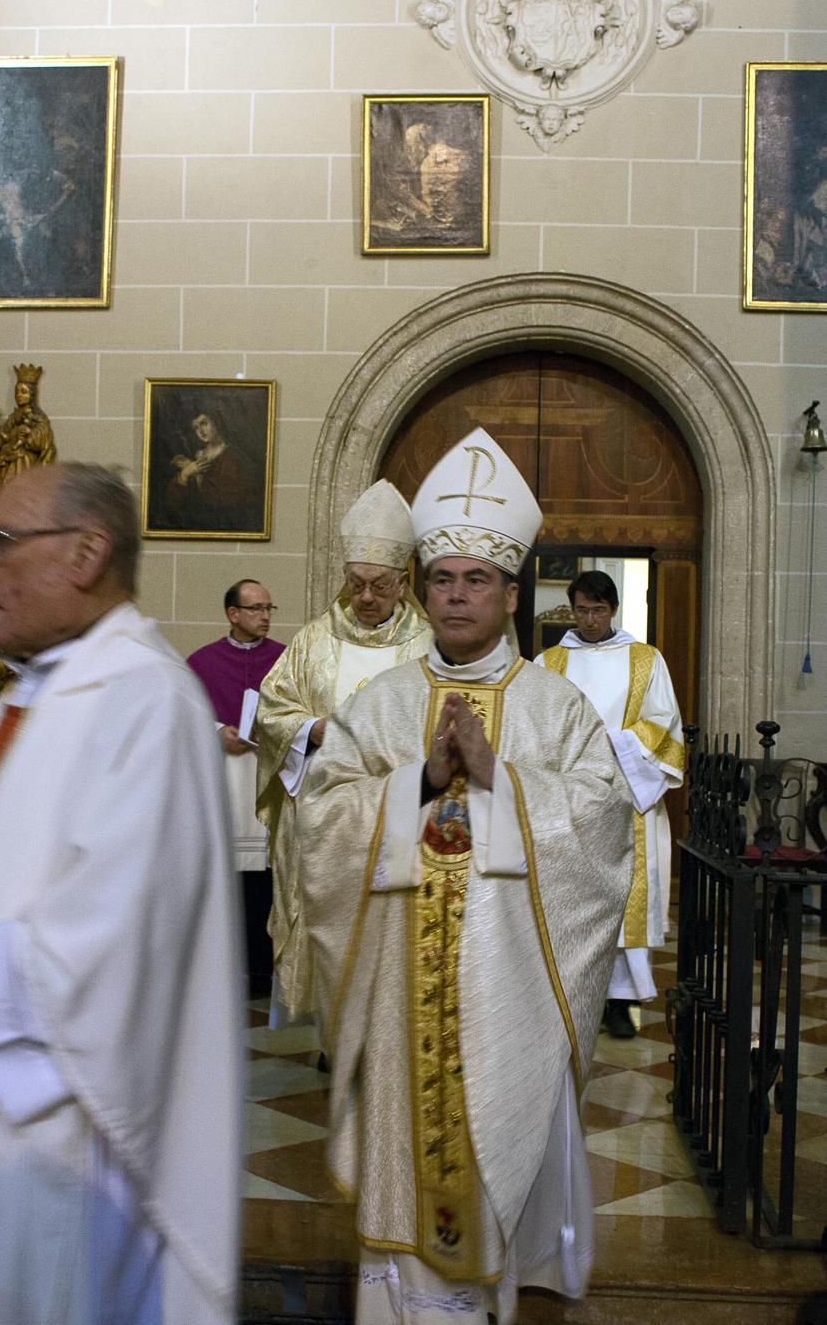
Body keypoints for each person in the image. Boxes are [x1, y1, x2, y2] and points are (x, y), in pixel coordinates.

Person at [297, 429, 635, 1324]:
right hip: (403, 997)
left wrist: (498, 777)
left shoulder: (554, 707)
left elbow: (605, 823)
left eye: (475, 579)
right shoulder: (384, 703)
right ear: (421, 588)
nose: (455, 595)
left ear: (511, 593)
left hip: (510, 998)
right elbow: (321, 819)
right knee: (407, 1168)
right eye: (441, 578)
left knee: (500, 1162)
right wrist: (416, 783)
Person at [0, 463, 245, 1324]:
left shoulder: (146, 701)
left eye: (1, 541)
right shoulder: (24, 701)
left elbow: (111, 942)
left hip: (53, 1140)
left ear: (84, 553)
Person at [256, 479, 432, 1024]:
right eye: (356, 583)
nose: (366, 597)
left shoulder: (426, 646)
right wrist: (310, 731)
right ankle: (332, 1023)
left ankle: (382, 1024)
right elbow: (271, 707)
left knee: (386, 920)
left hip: (394, 811)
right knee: (328, 916)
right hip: (324, 812)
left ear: (403, 584)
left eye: (379, 585)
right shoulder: (313, 640)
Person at [536, 569, 684, 1039]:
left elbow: (664, 724)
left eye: (599, 611)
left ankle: (619, 1002)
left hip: (626, 794)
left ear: (613, 609)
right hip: (569, 799)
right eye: (582, 610)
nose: (590, 619)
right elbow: (534, 728)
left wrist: (613, 745)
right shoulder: (549, 662)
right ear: (571, 608)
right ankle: (574, 997)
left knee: (622, 898)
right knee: (575, 899)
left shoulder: (645, 660)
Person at [187, 580, 285, 993]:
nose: (264, 616)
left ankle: (263, 973)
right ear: (233, 614)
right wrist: (216, 733)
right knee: (227, 880)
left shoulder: (286, 660)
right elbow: (185, 720)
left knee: (266, 880)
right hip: (225, 783)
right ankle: (223, 971)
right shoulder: (202, 662)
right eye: (256, 608)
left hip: (268, 781)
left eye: (268, 608)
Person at [165, 412, 256, 532]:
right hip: (194, 525)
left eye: (204, 423)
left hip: (224, 524)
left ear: (216, 421)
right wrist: (184, 474)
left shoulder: (233, 456)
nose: (200, 431)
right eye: (196, 427)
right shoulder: (196, 454)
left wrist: (198, 476)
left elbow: (236, 497)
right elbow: (172, 503)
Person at [0, 364, 57, 492]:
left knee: (24, 492)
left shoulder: (38, 417)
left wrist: (29, 434)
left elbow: (44, 442)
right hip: (9, 462)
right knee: (8, 492)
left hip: (26, 461)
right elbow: (2, 440)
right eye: (17, 391)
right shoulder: (13, 417)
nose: (19, 395)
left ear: (32, 394)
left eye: (24, 392)